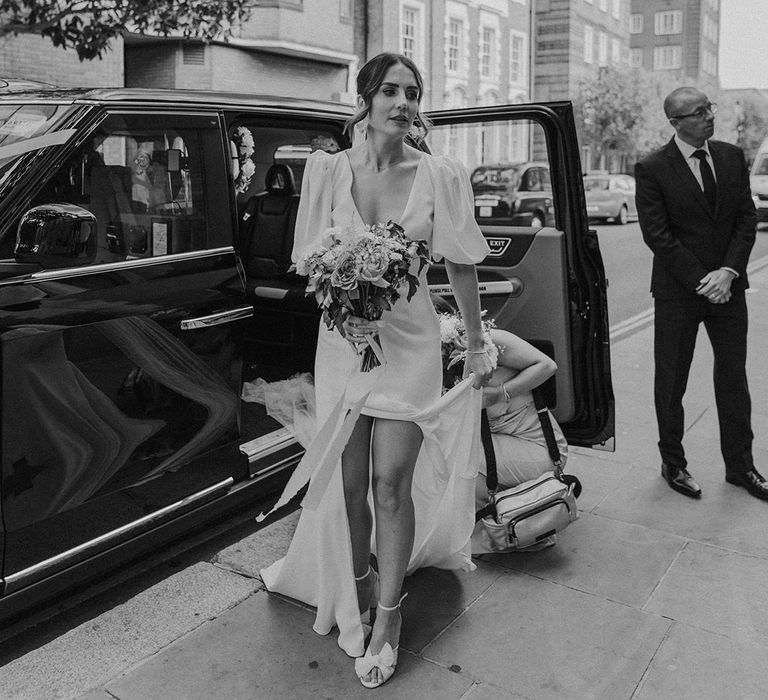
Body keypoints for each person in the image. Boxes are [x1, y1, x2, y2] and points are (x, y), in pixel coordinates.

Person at [259, 52, 493, 689]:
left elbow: (461, 265)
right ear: (364, 98)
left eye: (412, 92)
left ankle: (388, 620)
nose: (402, 102)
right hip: (343, 348)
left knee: (391, 483)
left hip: (411, 350)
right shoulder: (326, 171)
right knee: (349, 484)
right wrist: (342, 296)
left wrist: (474, 345)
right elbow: (308, 261)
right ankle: (358, 592)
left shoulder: (439, 175)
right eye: (389, 90)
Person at [635, 86, 766, 501]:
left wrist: (727, 272)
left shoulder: (731, 156)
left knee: (733, 378)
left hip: (729, 288)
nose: (710, 116)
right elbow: (658, 236)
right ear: (676, 122)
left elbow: (746, 218)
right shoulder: (652, 167)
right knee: (671, 382)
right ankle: (673, 463)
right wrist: (704, 279)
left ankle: (741, 467)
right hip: (678, 292)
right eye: (699, 112)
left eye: (710, 108)